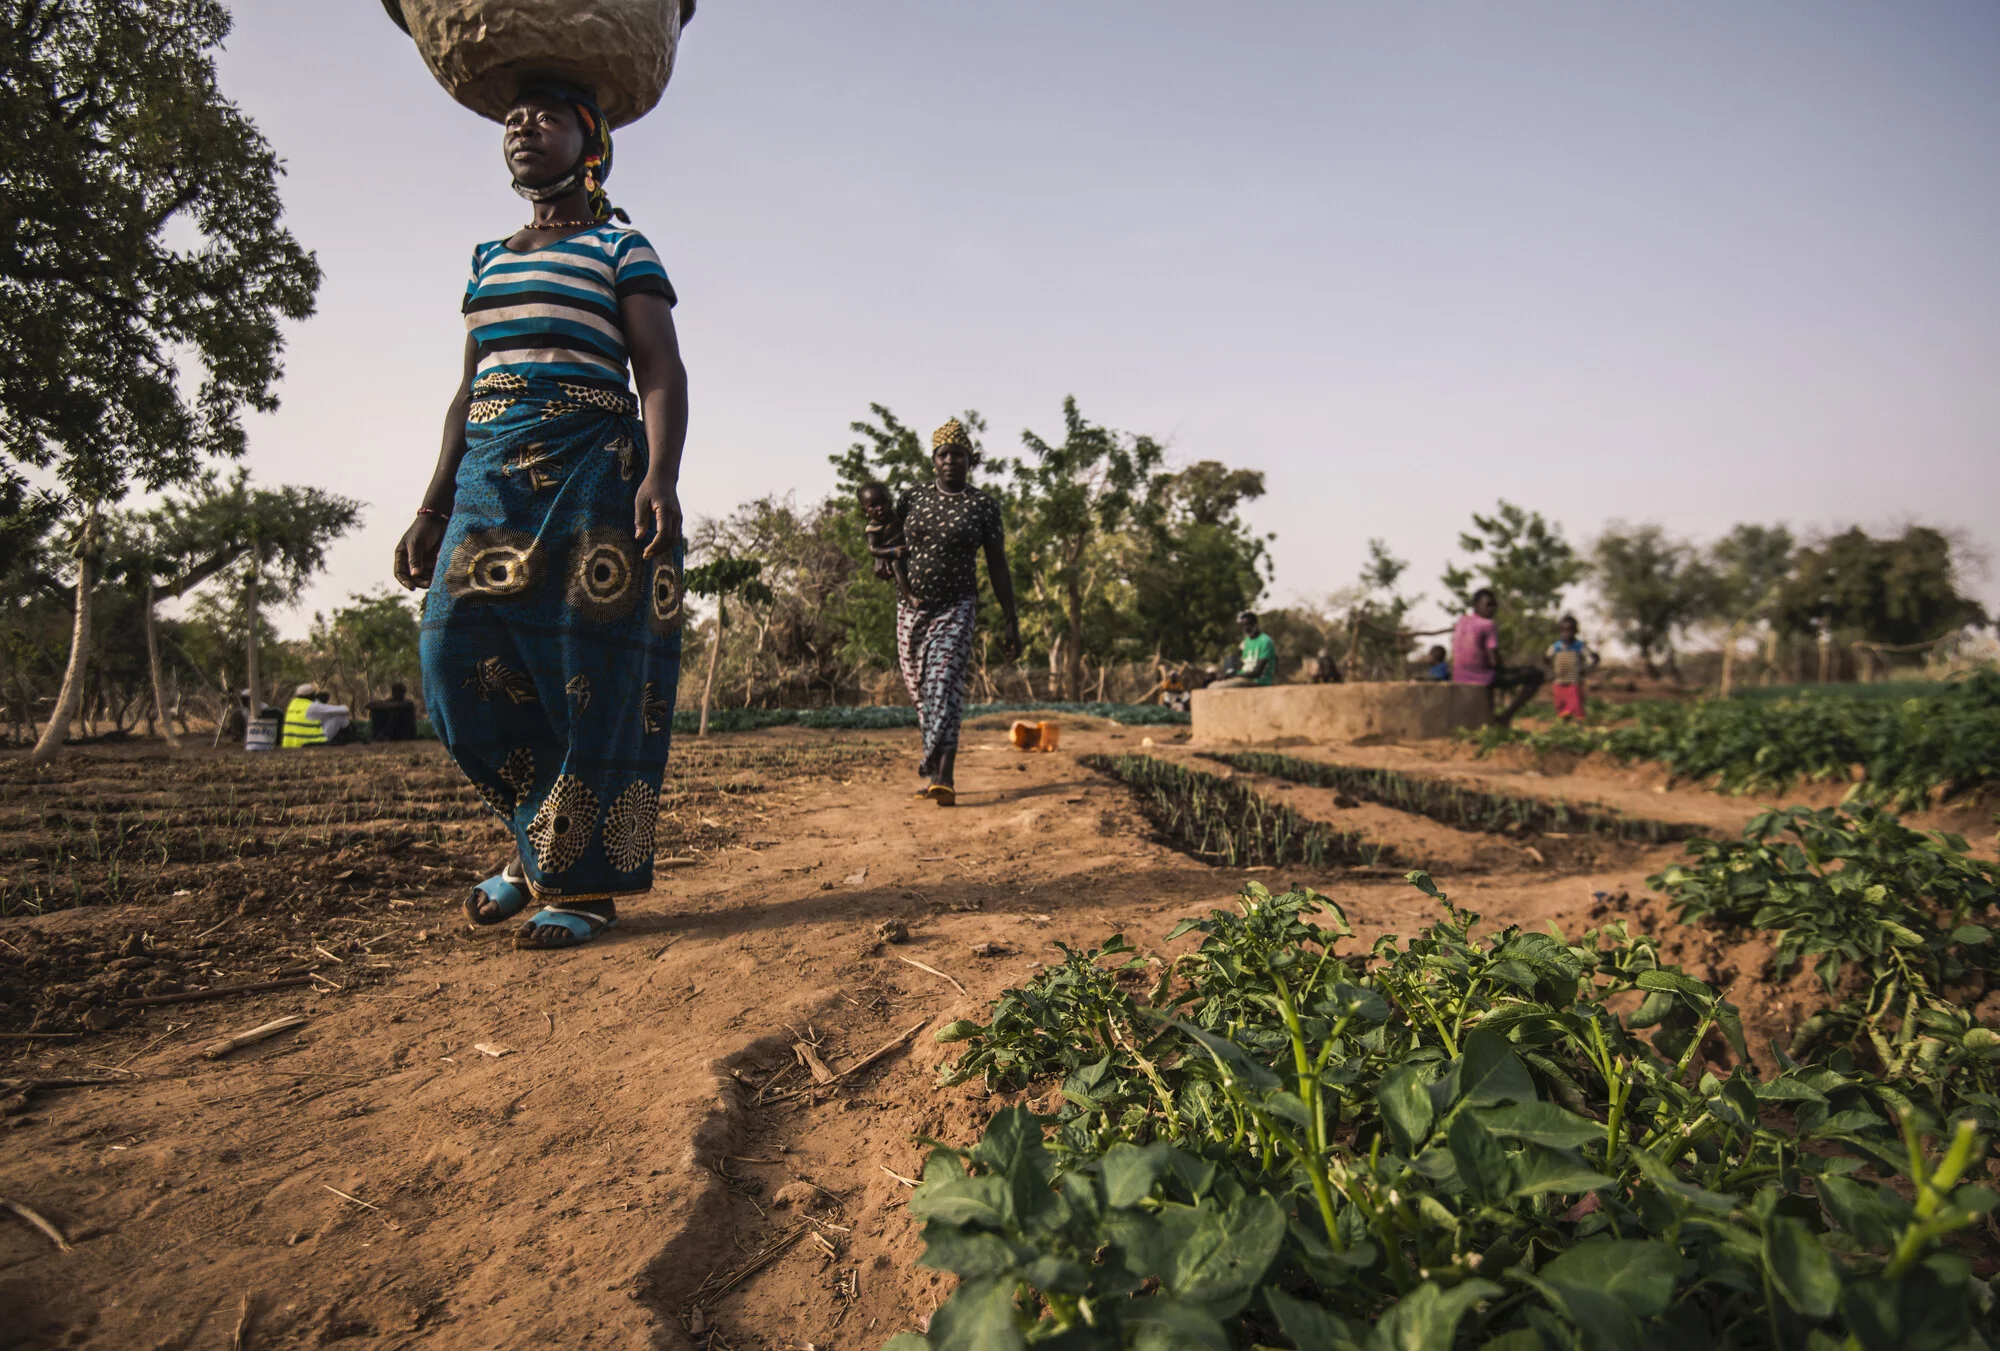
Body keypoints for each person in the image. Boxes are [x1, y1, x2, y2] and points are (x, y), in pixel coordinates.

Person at [392, 83, 688, 950]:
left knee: (584, 671)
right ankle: (535, 848)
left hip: (593, 472)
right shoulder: (489, 256)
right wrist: (432, 503)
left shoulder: (619, 244)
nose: (523, 127)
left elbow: (661, 369)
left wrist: (660, 476)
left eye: (547, 116)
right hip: (488, 475)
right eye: (514, 118)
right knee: (452, 659)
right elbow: (468, 387)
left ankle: (584, 886)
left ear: (589, 144)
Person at [895, 418, 1022, 806]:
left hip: (957, 608)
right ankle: (935, 771)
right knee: (922, 692)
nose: (951, 460)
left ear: (970, 460)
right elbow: (891, 548)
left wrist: (1011, 618)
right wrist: (890, 572)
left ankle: (945, 775)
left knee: (946, 685)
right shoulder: (912, 499)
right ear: (934, 460)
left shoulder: (982, 506)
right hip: (911, 609)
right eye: (944, 454)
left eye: (958, 454)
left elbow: (998, 565)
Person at [1452, 589, 1545, 725]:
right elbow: (1494, 660)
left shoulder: (1462, 621)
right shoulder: (1488, 624)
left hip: (1458, 675)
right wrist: (1506, 671)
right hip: (1482, 677)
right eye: (1489, 605)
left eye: (1494, 605)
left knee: (1510, 673)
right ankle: (1506, 716)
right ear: (1476, 606)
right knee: (1535, 675)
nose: (1493, 608)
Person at [858, 480, 912, 603]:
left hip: (908, 551)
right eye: (873, 506)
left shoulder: (899, 515)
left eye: (883, 503)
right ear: (865, 511)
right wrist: (892, 551)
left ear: (890, 501)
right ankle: (908, 595)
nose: (880, 508)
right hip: (894, 555)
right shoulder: (873, 528)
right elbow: (873, 549)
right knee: (896, 565)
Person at [1545, 614, 1599, 721]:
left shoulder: (1579, 646)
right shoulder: (1556, 646)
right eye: (1564, 630)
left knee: (1575, 701)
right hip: (1559, 679)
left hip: (1574, 680)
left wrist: (1585, 669)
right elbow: (1546, 657)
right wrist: (1553, 670)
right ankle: (1564, 721)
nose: (1566, 633)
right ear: (1560, 631)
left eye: (1569, 630)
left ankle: (1578, 722)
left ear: (1575, 631)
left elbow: (1592, 658)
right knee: (1559, 702)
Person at [1210, 611, 1277, 688]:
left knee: (1215, 687)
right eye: (1243, 625)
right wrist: (1226, 671)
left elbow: (1257, 672)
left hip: (1257, 680)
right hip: (1243, 677)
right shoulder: (1246, 641)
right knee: (1211, 684)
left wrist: (1234, 675)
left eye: (1248, 624)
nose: (1245, 628)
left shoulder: (1265, 641)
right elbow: (1234, 656)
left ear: (1256, 624)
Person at [283, 683, 357, 747]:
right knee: (340, 717)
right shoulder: (312, 707)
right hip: (312, 741)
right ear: (312, 695)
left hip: (292, 743)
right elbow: (344, 710)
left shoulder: (292, 705)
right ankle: (349, 740)